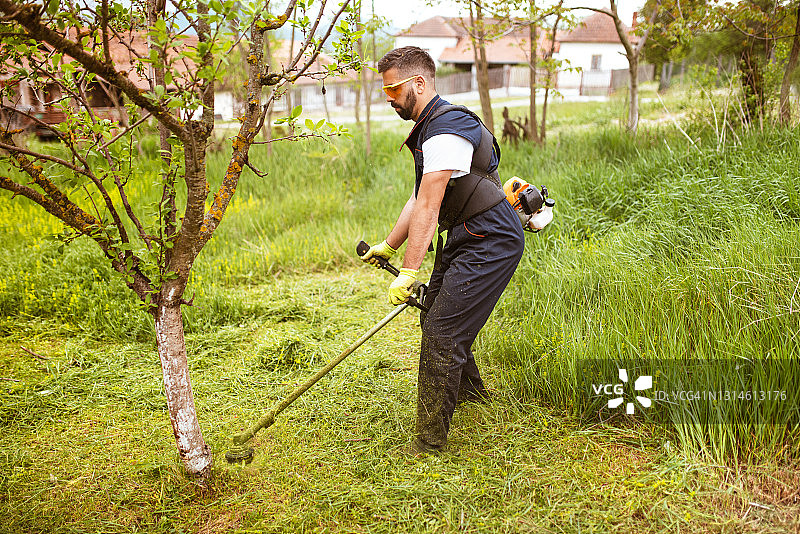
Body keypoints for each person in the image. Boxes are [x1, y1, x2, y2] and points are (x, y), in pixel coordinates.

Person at [360, 46, 524, 456]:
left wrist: (409, 271)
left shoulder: (447, 127)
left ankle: (430, 441)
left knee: (442, 330)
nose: (388, 97)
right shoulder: (431, 127)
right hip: (466, 234)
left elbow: (430, 205)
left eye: (393, 89)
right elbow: (418, 198)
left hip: (492, 237)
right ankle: (470, 394)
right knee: (436, 314)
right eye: (384, 90)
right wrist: (389, 245)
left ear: (419, 83)